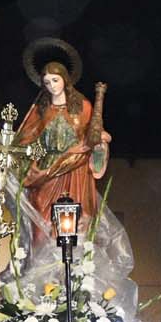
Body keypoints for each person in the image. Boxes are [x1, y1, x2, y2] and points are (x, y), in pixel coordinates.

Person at [16, 60, 111, 224]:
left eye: (55, 80)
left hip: (75, 169)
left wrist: (100, 141)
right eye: (47, 82)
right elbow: (26, 139)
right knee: (42, 225)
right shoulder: (41, 110)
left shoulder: (83, 106)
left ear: (65, 80)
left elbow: (92, 136)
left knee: (75, 222)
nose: (52, 86)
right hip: (46, 173)